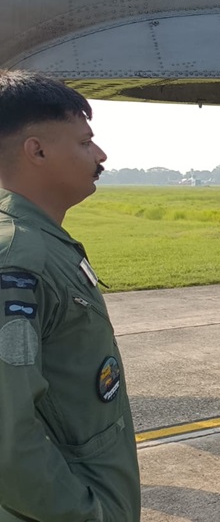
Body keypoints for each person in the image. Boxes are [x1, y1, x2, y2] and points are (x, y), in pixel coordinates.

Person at [0, 71, 140, 520]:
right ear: (36, 150)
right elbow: (8, 437)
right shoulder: (19, 257)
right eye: (84, 142)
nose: (100, 155)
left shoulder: (40, 242)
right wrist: (84, 514)